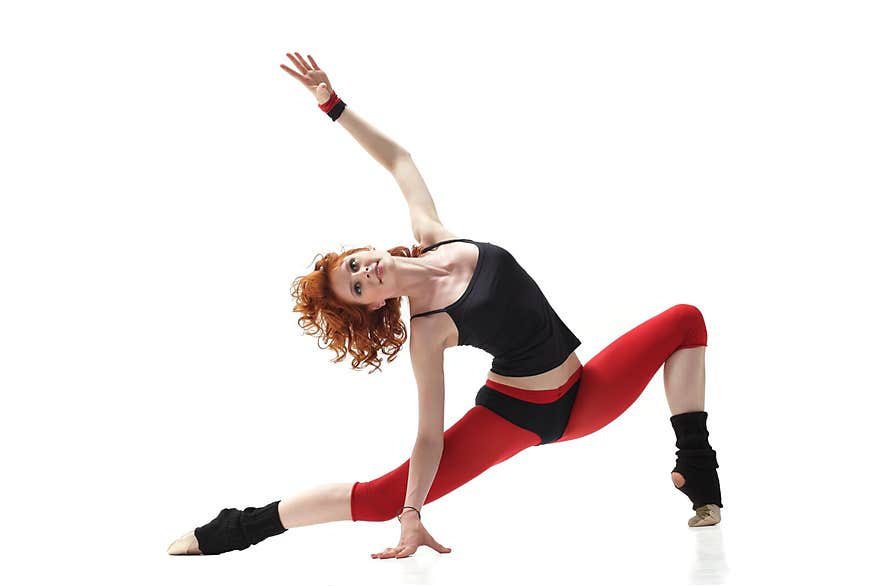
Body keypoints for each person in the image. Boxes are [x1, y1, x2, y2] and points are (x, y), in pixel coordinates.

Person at [167, 52, 723, 558]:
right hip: (515, 416)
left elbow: (399, 160)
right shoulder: (429, 329)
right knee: (385, 496)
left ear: (367, 250)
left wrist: (331, 104)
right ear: (376, 304)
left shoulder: (436, 234)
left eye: (355, 266)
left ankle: (696, 473)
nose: (365, 275)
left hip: (584, 397)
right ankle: (240, 527)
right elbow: (429, 435)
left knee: (685, 320)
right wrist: (413, 512)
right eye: (358, 288)